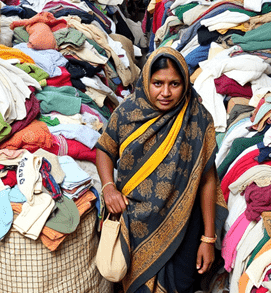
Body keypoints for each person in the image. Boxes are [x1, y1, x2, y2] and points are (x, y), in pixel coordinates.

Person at [96, 47, 227, 293]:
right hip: (135, 223)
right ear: (146, 80)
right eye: (158, 83)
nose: (165, 93)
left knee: (180, 285)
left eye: (174, 84)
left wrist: (208, 239)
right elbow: (105, 149)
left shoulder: (197, 118)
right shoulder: (127, 112)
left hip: (184, 224)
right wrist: (108, 187)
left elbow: (208, 180)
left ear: (185, 83)